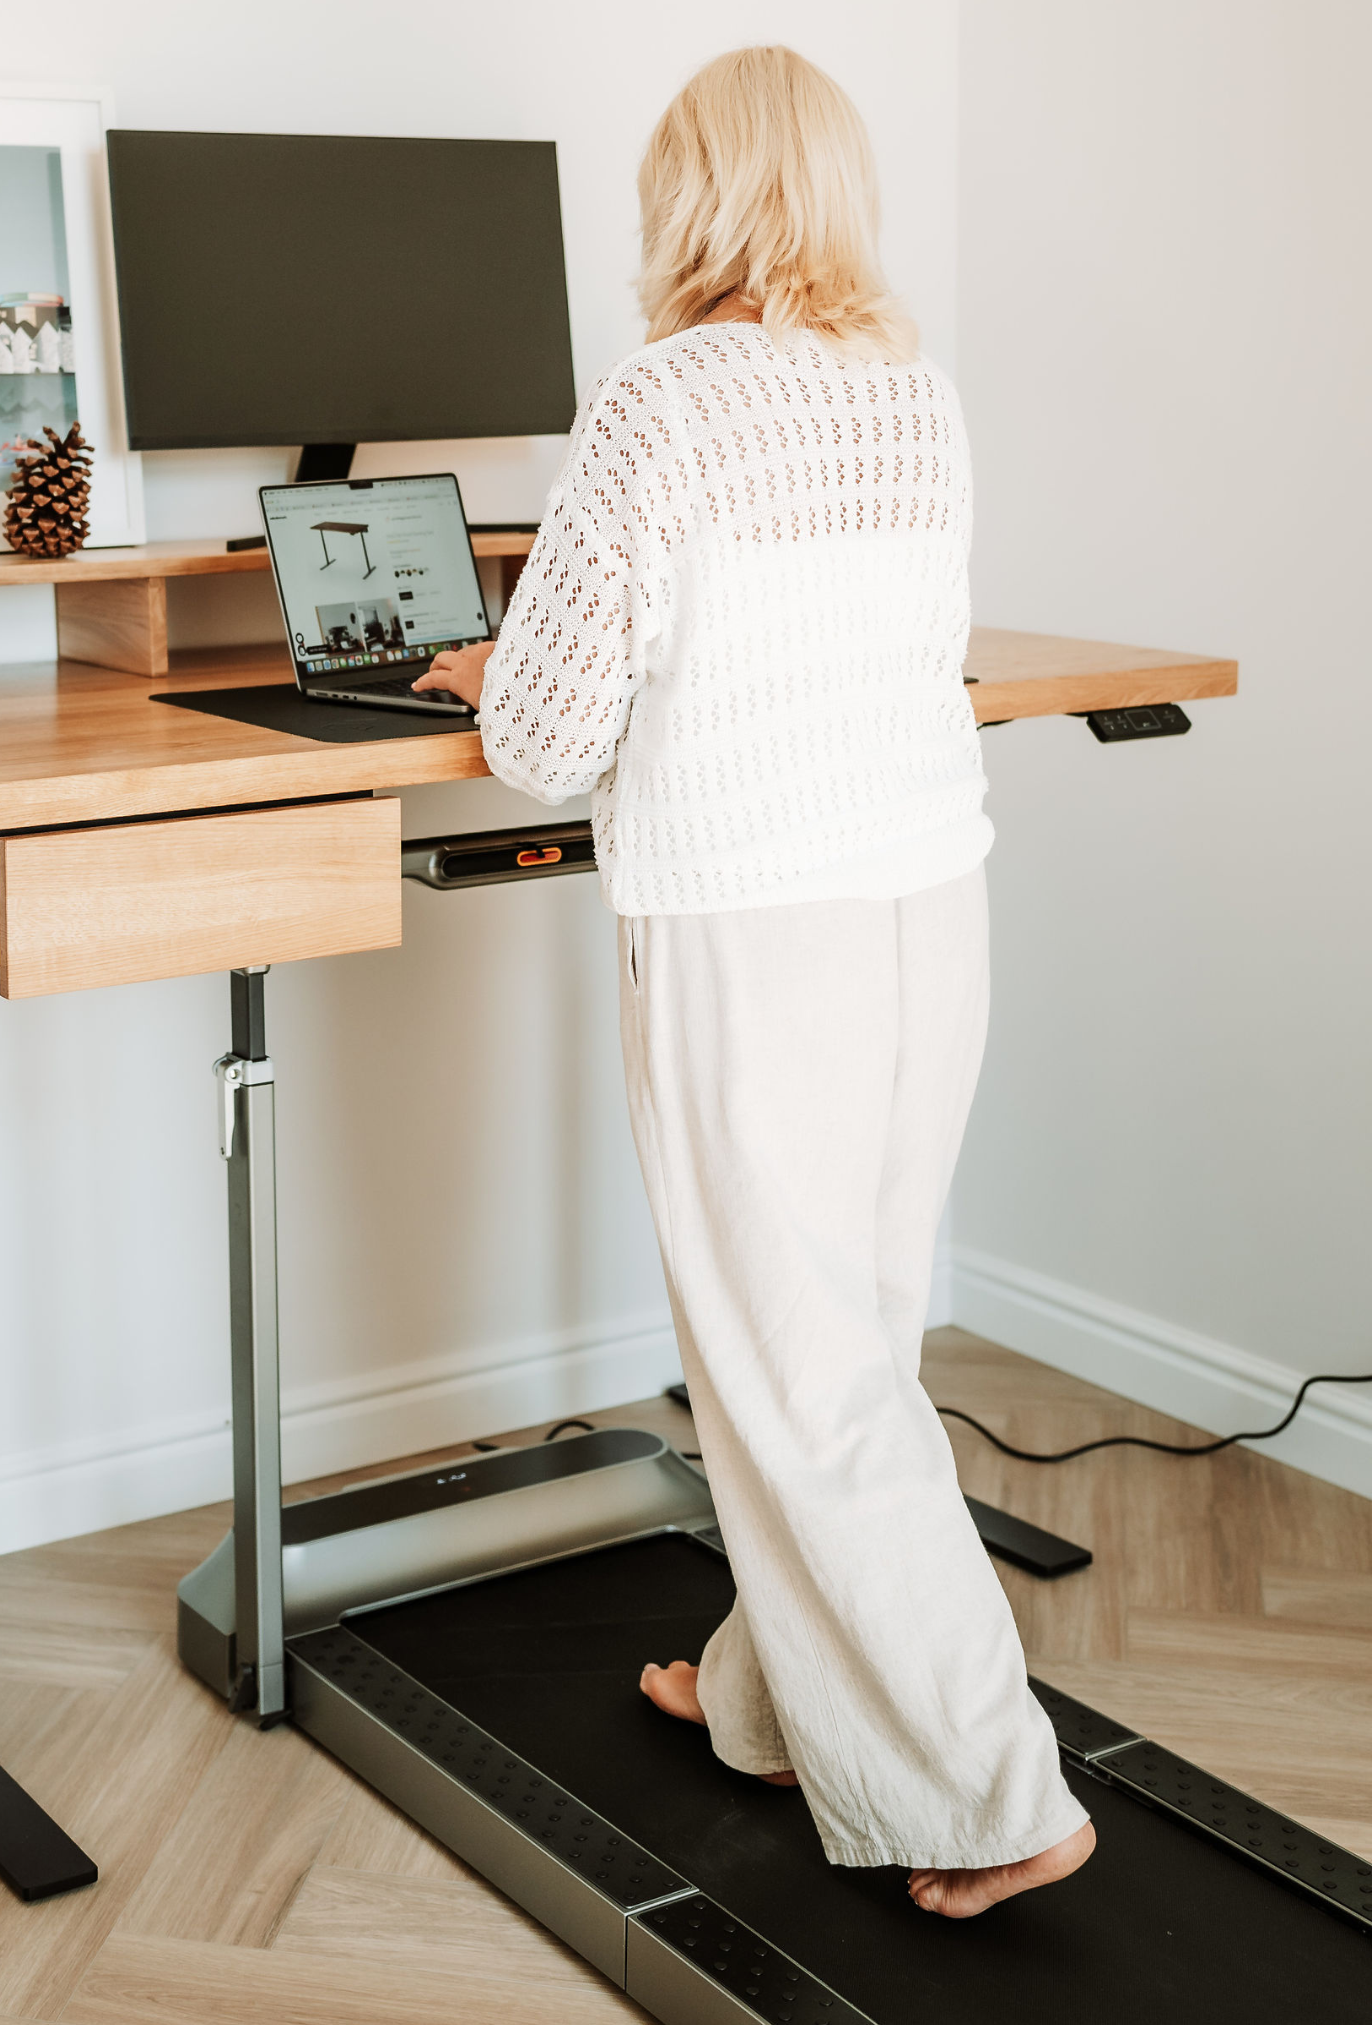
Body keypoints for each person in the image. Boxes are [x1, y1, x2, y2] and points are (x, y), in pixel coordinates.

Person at [415, 44, 1095, 1919]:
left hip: (755, 928)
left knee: (792, 1375)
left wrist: (493, 672)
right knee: (854, 1337)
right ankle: (770, 1700)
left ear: (690, 196)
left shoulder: (661, 402)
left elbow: (550, 741)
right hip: (925, 911)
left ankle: (997, 1786)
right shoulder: (917, 396)